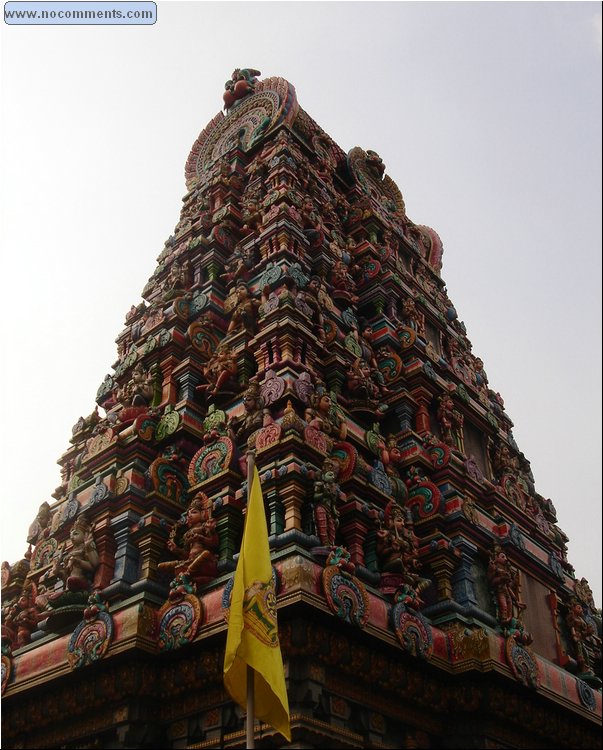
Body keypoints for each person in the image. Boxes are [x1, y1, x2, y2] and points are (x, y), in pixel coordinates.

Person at [158, 493, 219, 586]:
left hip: (202, 560)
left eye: (194, 512)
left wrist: (202, 537)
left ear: (202, 513)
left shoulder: (204, 527)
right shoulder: (187, 534)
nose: (190, 515)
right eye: (188, 513)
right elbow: (186, 554)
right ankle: (187, 573)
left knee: (206, 554)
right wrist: (176, 550)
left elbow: (214, 542)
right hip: (190, 561)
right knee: (161, 566)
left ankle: (186, 574)